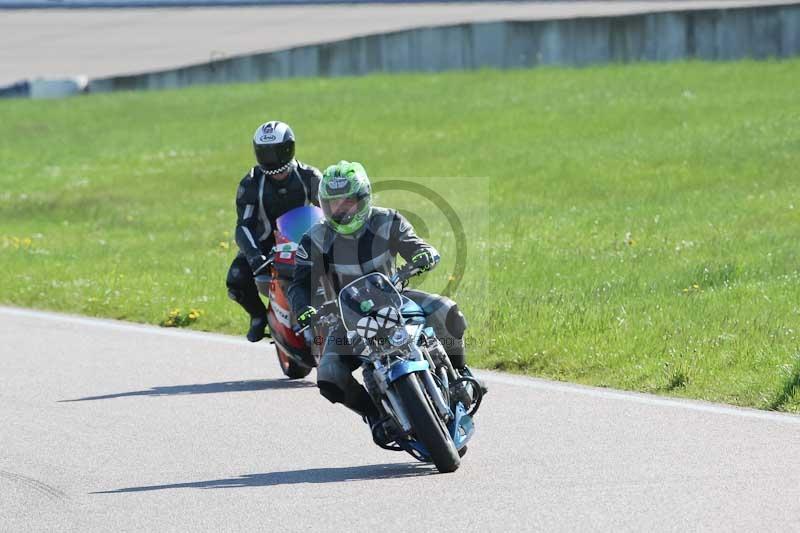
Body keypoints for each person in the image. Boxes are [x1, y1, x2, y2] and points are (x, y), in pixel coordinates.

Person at [287, 160, 482, 435]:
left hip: (396, 297)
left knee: (448, 311)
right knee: (329, 374)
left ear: (364, 198)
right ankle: (377, 416)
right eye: (333, 204)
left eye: (348, 202)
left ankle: (461, 376)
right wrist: (303, 308)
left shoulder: (388, 220)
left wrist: (423, 254)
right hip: (346, 316)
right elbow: (298, 284)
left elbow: (414, 245)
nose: (340, 210)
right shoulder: (314, 239)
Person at [226, 120, 321, 342]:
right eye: (266, 153)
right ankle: (259, 316)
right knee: (236, 278)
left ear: (289, 148)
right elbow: (244, 225)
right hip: (267, 247)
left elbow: (330, 211)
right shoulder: (250, 183)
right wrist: (254, 255)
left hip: (306, 241)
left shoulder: (311, 177)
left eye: (278, 151)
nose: (273, 159)